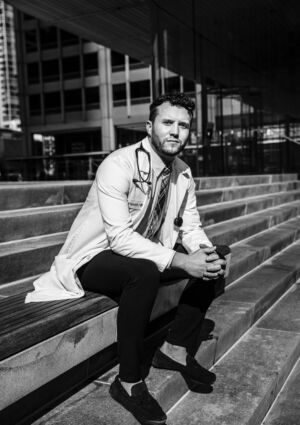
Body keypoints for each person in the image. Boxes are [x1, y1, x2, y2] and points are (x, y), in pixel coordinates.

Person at [26, 92, 229, 425]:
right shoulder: (119, 164)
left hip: (145, 252)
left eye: (183, 125)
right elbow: (119, 239)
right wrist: (181, 261)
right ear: (150, 126)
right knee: (144, 273)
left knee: (214, 257)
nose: (176, 131)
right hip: (96, 257)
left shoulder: (183, 173)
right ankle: (128, 381)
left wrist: (202, 252)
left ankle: (175, 348)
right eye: (168, 123)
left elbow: (190, 228)